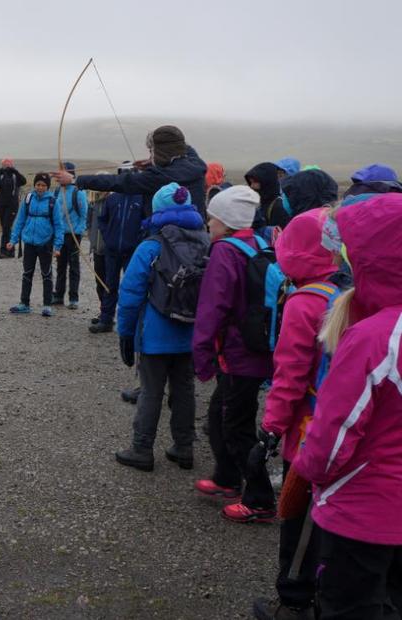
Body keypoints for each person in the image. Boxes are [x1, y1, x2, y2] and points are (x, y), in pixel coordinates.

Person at [292, 194, 402, 618]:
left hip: (363, 513)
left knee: (349, 605)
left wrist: (306, 471)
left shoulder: (374, 338)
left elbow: (333, 438)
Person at [249, 209, 340, 620]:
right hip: (343, 430)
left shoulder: (305, 303)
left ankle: (294, 603)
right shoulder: (345, 293)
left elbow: (289, 376)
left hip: (307, 434)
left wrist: (271, 428)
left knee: (299, 521)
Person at [192, 185, 276, 522]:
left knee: (236, 424)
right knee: (220, 415)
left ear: (224, 221)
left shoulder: (225, 252)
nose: (208, 223)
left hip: (239, 353)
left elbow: (212, 306)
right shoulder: (259, 243)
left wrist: (200, 354)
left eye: (212, 218)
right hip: (255, 349)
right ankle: (227, 477)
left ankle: (259, 500)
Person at [114, 183, 208, 471]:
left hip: (155, 335)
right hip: (191, 334)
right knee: (184, 390)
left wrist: (126, 334)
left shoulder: (151, 246)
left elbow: (130, 296)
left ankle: (142, 449)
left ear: (157, 210)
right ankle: (183, 448)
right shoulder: (207, 242)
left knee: (151, 391)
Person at [51, 125, 208, 218]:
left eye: (151, 151)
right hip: (195, 236)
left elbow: (118, 182)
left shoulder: (158, 177)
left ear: (159, 151)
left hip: (166, 242)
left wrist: (74, 180)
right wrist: (153, 162)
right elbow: (184, 148)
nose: (150, 155)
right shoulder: (196, 164)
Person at [92, 162, 144, 333]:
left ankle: (134, 322)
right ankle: (106, 319)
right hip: (112, 250)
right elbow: (102, 219)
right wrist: (108, 237)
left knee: (132, 286)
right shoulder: (112, 199)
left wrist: (138, 241)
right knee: (109, 285)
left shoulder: (141, 199)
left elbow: (146, 223)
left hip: (132, 251)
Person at [6, 172, 63, 316]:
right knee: (27, 273)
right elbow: (20, 220)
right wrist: (13, 240)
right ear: (34, 185)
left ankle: (47, 305)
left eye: (44, 185)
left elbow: (58, 225)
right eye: (38, 184)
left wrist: (57, 246)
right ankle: (24, 303)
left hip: (45, 242)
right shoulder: (28, 199)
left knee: (46, 273)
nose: (40, 187)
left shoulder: (52, 202)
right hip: (29, 242)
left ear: (47, 187)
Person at [52, 162, 88, 309]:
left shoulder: (78, 192)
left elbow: (84, 214)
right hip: (60, 234)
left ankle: (74, 298)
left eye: (63, 171)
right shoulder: (57, 191)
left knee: (73, 266)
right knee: (60, 266)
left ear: (70, 173)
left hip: (74, 235)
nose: (60, 174)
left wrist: (77, 231)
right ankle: (58, 296)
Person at [0, 158, 27, 258]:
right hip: (2, 204)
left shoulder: (15, 176)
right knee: (5, 227)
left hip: (12, 205)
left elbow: (24, 181)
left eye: (8, 165)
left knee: (7, 227)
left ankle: (4, 251)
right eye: (4, 165)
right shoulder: (1, 175)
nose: (6, 167)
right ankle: (11, 251)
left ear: (12, 165)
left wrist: (15, 171)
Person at [85, 191, 108, 319]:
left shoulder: (111, 203)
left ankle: (107, 313)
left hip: (109, 250)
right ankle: (103, 310)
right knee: (99, 282)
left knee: (108, 282)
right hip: (97, 250)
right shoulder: (92, 205)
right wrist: (92, 239)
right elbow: (89, 223)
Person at [245, 162, 287, 229]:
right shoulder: (261, 201)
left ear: (267, 182)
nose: (252, 186)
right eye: (251, 182)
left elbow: (279, 235)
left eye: (255, 182)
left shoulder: (278, 207)